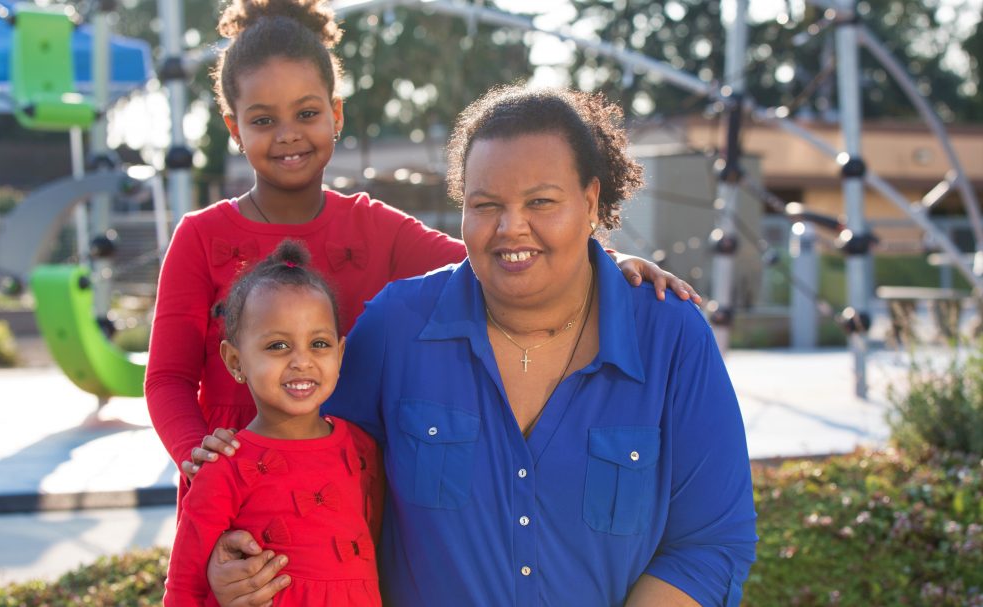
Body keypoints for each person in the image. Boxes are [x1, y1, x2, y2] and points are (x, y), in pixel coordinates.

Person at [208, 86, 758, 606]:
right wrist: (231, 561)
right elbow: (306, 467)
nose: (510, 228)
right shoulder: (396, 327)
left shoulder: (670, 337)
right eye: (486, 204)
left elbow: (709, 544)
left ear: (591, 201)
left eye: (541, 202)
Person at [145, 0, 700, 512]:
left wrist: (603, 259)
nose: (288, 134)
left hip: (343, 494)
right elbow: (167, 378)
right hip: (232, 489)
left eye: (307, 113)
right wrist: (201, 458)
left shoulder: (376, 228)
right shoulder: (200, 237)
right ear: (233, 129)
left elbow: (497, 256)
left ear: (336, 114)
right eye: (263, 120)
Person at [163, 241, 384, 606]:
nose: (302, 361)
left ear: (340, 354)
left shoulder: (362, 448)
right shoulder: (223, 468)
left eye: (319, 343)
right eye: (278, 346)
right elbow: (182, 589)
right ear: (235, 360)